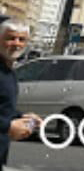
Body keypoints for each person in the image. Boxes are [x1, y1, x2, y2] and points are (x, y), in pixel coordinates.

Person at [0, 21, 38, 171]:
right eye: (11, 38)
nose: (16, 44)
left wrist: (22, 117)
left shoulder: (8, 71)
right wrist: (8, 126)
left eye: (21, 39)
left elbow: (3, 108)